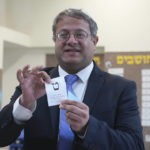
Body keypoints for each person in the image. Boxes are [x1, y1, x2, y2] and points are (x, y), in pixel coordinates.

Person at [0, 8, 145, 150]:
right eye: (63, 34)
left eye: (80, 34)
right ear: (54, 41)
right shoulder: (35, 82)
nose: (71, 41)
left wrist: (88, 127)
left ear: (94, 41)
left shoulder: (120, 88)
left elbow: (135, 145)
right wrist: (24, 106)